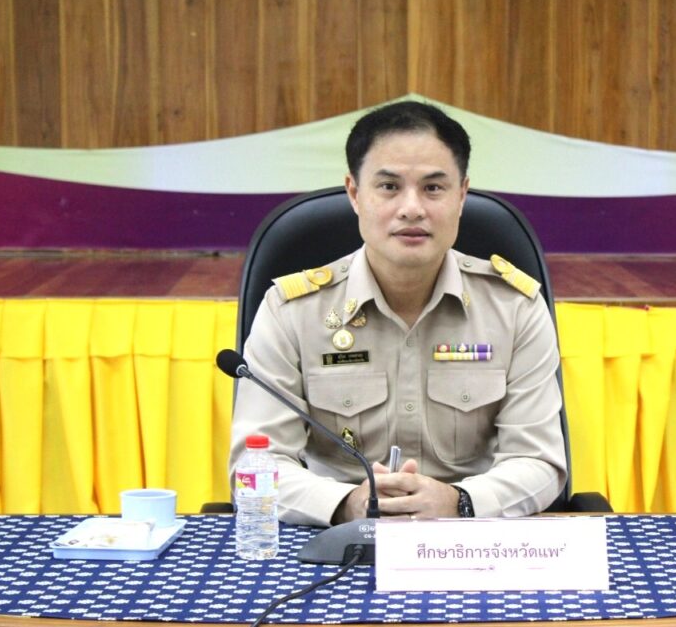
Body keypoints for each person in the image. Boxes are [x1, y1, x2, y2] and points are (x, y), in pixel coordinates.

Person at [228, 100, 566, 527]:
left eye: (433, 188)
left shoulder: (514, 308)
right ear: (354, 193)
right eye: (389, 187)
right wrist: (347, 503)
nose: (412, 208)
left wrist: (459, 501)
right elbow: (254, 467)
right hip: (338, 539)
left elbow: (538, 461)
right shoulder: (292, 312)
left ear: (462, 195)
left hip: (469, 540)